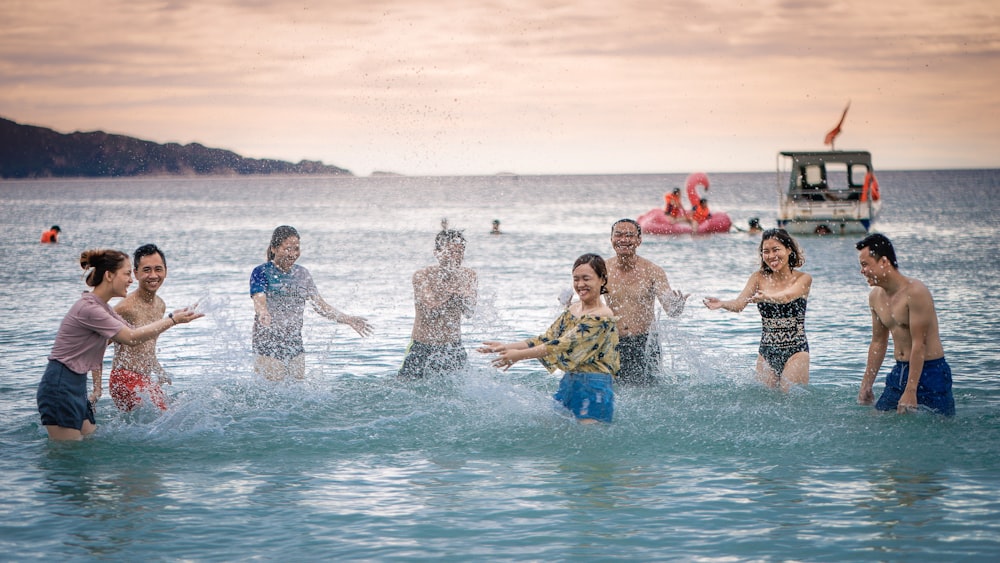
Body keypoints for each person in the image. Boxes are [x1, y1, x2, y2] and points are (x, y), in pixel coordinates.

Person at [36, 249, 202, 440]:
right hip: (60, 384)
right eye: (127, 274)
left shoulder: (103, 308)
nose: (131, 280)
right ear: (109, 275)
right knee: (67, 456)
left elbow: (140, 336)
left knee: (89, 442)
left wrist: (177, 316)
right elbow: (130, 337)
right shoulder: (90, 309)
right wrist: (173, 320)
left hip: (75, 385)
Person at [480, 254, 620, 423]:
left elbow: (561, 344)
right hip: (570, 381)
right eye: (576, 279)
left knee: (589, 441)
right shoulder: (574, 309)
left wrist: (518, 355)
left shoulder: (601, 315)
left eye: (586, 279)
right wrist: (507, 347)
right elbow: (547, 338)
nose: (580, 284)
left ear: (602, 280)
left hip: (595, 385)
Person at [250, 225, 372, 381]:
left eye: (296, 249)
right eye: (288, 249)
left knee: (297, 390)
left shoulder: (302, 274)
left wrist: (347, 319)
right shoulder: (261, 272)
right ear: (274, 249)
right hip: (267, 340)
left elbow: (320, 305)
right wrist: (263, 312)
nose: (293, 254)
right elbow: (258, 297)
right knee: (274, 390)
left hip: (294, 342)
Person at [855, 233, 954, 415]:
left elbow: (919, 344)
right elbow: (878, 342)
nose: (862, 271)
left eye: (865, 264)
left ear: (884, 262)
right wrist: (867, 383)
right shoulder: (875, 296)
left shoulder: (915, 292)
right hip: (899, 370)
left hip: (931, 371)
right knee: (878, 420)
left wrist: (910, 391)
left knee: (940, 428)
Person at [704, 229, 812, 391]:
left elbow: (787, 296)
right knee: (765, 400)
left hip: (796, 350)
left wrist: (768, 297)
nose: (771, 256)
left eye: (776, 250)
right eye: (766, 252)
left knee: (790, 399)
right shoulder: (758, 277)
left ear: (789, 250)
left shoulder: (803, 278)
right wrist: (722, 303)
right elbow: (739, 304)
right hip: (767, 351)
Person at [605, 219, 688, 385]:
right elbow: (588, 305)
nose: (624, 239)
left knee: (650, 391)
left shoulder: (652, 271)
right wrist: (569, 305)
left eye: (630, 235)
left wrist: (677, 306)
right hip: (613, 342)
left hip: (645, 342)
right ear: (611, 239)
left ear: (639, 240)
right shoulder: (602, 270)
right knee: (613, 392)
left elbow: (671, 310)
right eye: (618, 235)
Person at [398, 229, 478, 379]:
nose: (456, 257)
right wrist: (453, 294)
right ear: (437, 252)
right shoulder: (422, 276)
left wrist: (462, 297)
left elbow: (469, 312)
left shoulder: (469, 276)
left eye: (460, 252)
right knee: (405, 385)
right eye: (451, 252)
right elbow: (431, 308)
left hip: (453, 347)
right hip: (422, 346)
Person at [109, 244, 174, 412]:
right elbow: (97, 343)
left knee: (171, 413)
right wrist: (96, 389)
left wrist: (158, 370)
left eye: (158, 269)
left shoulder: (160, 305)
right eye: (146, 270)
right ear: (136, 273)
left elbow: (147, 346)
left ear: (165, 271)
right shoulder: (125, 307)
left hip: (144, 378)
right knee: (165, 420)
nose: (153, 275)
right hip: (124, 378)